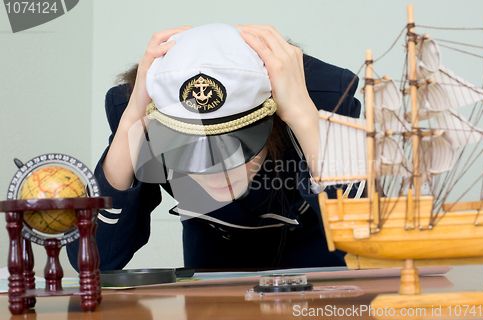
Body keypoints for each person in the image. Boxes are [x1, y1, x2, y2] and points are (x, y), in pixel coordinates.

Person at [67, 24, 361, 271]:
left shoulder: (323, 100)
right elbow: (93, 261)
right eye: (187, 149)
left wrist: (303, 116)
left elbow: (369, 241)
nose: (216, 170)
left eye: (237, 147)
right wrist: (132, 119)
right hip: (213, 271)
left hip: (321, 263)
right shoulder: (143, 114)